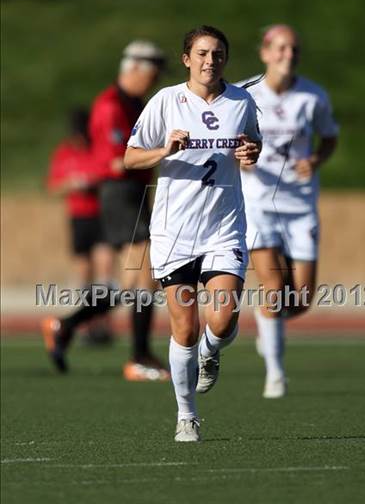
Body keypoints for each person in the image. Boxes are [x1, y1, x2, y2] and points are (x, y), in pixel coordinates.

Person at [124, 25, 261, 442]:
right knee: (183, 328)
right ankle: (187, 415)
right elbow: (130, 158)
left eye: (217, 54)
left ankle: (210, 351)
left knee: (220, 321)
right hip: (174, 232)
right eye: (201, 53)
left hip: (223, 228)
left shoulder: (241, 100)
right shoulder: (166, 101)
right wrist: (164, 150)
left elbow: (253, 146)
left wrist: (250, 152)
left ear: (225, 59)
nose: (209, 61)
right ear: (186, 59)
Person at [42, 41, 169, 381]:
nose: (154, 80)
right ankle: (139, 357)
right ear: (134, 68)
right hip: (120, 192)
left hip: (134, 191)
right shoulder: (111, 105)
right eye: (152, 73)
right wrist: (167, 152)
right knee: (146, 273)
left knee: (134, 283)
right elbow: (119, 160)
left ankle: (65, 326)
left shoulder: (134, 103)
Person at [239, 24, 339, 398]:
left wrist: (315, 159)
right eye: (280, 48)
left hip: (300, 207)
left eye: (293, 49)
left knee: (300, 299)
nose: (287, 55)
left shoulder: (313, 96)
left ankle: (269, 327)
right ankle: (275, 373)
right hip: (260, 204)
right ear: (265, 52)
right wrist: (241, 158)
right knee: (273, 287)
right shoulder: (245, 95)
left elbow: (329, 137)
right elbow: (226, 140)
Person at [46, 108, 115, 346]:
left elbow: (110, 173)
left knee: (105, 270)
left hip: (101, 215)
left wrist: (94, 183)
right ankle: (85, 325)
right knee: (84, 273)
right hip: (79, 218)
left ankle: (103, 322)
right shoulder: (64, 153)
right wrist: (72, 184)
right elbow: (53, 187)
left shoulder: (98, 148)